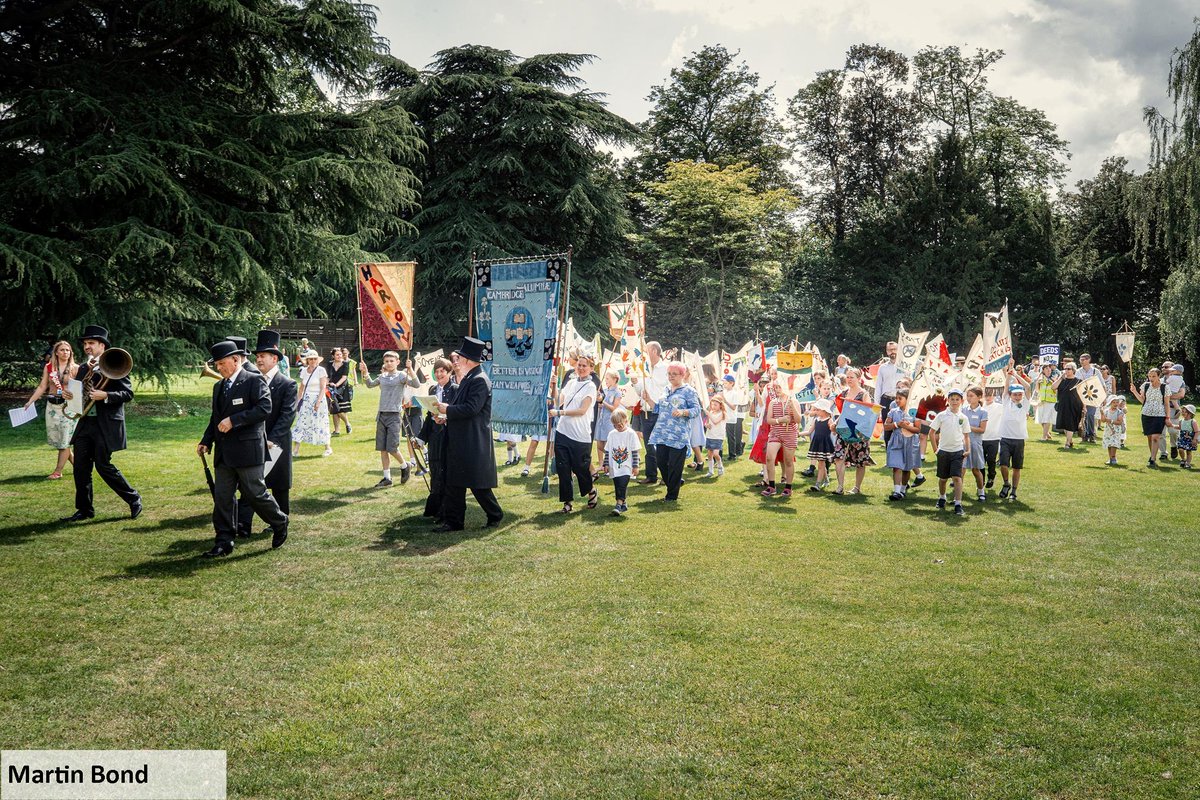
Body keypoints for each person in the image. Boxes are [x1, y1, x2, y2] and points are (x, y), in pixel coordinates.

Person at [197, 340, 289, 557]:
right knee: (223, 498)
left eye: (221, 364)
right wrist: (206, 440)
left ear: (236, 360)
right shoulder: (219, 386)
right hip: (224, 453)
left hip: (248, 450)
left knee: (255, 493)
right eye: (216, 365)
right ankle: (224, 541)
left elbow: (264, 408)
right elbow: (216, 418)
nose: (218, 369)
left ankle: (279, 521)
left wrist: (234, 420)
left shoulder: (254, 380)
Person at [60, 325, 142, 523]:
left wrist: (105, 395)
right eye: (85, 343)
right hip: (86, 422)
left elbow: (127, 394)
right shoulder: (83, 368)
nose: (87, 346)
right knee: (80, 467)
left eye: (91, 343)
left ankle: (133, 498)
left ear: (102, 345)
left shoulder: (115, 362)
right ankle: (84, 509)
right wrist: (69, 395)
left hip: (105, 425)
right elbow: (78, 394)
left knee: (104, 466)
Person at [436, 337, 504, 531]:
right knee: (454, 482)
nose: (456, 361)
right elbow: (461, 407)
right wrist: (445, 416)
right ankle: (454, 522)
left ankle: (495, 514)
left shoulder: (480, 380)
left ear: (468, 360)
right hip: (461, 437)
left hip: (472, 439)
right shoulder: (470, 377)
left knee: (478, 484)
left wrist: (447, 410)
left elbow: (471, 408)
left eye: (460, 358)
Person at [236, 330, 297, 537]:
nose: (259, 359)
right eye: (257, 356)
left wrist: (271, 440)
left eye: (263, 356)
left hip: (276, 442)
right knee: (250, 485)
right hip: (253, 442)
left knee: (279, 486)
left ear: (275, 358)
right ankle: (243, 526)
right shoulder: (251, 381)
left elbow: (287, 416)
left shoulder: (287, 384)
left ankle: (281, 520)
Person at [360, 351, 419, 487]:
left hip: (394, 416)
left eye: (392, 361)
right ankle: (387, 478)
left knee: (392, 448)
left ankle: (405, 465)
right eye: (386, 361)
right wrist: (365, 371)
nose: (389, 363)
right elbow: (369, 384)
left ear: (397, 362)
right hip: (381, 415)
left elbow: (416, 384)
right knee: (382, 448)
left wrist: (410, 370)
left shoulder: (401, 376)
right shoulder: (382, 376)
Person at [646, 361, 702, 503]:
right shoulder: (666, 389)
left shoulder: (689, 391)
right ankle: (674, 482)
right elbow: (659, 408)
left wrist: (683, 411)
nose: (671, 376)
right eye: (669, 374)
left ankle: (671, 495)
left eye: (674, 374)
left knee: (675, 465)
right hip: (662, 432)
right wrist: (649, 400)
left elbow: (697, 410)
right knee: (661, 461)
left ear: (682, 375)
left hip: (678, 434)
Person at [550, 353, 598, 513]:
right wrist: (554, 387)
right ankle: (567, 502)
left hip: (580, 435)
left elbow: (582, 410)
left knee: (580, 468)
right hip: (562, 432)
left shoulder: (591, 387)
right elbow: (559, 401)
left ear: (591, 369)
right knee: (563, 468)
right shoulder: (570, 382)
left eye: (585, 365)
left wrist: (560, 413)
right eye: (579, 365)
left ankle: (590, 490)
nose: (581, 368)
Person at [23, 340, 78, 479]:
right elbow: (42, 386)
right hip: (52, 407)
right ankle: (79, 466)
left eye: (68, 350)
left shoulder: (76, 368)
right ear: (56, 352)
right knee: (61, 440)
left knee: (64, 440)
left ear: (71, 352)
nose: (65, 352)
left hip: (68, 408)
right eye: (62, 350)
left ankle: (57, 472)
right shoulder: (49, 367)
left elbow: (80, 390)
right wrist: (30, 401)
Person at [414, 358, 455, 521]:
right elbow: (428, 416)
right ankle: (436, 508)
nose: (439, 374)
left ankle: (445, 509)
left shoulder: (455, 389)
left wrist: (445, 417)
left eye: (442, 371)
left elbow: (457, 411)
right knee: (435, 470)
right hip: (435, 435)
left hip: (449, 435)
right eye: (436, 371)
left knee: (445, 472)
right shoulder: (432, 388)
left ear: (449, 372)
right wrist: (421, 439)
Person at [832, 368, 875, 495]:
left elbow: (869, 413)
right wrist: (835, 423)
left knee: (860, 460)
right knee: (839, 457)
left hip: (859, 430)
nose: (849, 379)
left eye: (852, 377)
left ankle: (857, 487)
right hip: (844, 429)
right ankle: (840, 487)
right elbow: (843, 412)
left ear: (858, 379)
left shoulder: (864, 394)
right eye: (848, 377)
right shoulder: (844, 393)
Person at [631, 341, 669, 485]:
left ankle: (666, 475)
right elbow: (641, 390)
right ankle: (651, 475)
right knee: (648, 444)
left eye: (646, 350)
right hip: (645, 411)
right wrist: (635, 383)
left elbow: (668, 389)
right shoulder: (643, 367)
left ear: (654, 351)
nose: (644, 353)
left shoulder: (665, 368)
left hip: (660, 411)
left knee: (662, 445)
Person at [929, 388, 970, 516]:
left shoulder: (963, 417)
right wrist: (936, 449)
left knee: (957, 478)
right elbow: (931, 432)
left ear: (961, 401)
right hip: (943, 451)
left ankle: (958, 504)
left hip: (958, 451)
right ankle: (942, 497)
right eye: (952, 399)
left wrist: (967, 449)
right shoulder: (941, 415)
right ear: (948, 400)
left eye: (957, 399)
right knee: (943, 479)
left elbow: (966, 435)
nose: (954, 402)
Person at [760, 381, 802, 497]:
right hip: (775, 433)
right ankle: (771, 486)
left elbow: (798, 420)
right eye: (775, 388)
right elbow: (769, 420)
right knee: (769, 458)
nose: (777, 390)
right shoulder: (773, 402)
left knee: (788, 460)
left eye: (779, 387)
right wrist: (780, 420)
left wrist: (792, 406)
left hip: (790, 434)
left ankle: (788, 487)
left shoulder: (793, 401)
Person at [998, 368, 1032, 502]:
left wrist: (1016, 374)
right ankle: (1006, 483)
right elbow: (1006, 387)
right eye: (1015, 394)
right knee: (1003, 465)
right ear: (1010, 395)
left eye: (1019, 394)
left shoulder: (1024, 404)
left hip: (1019, 439)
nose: (1017, 397)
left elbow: (1028, 387)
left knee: (1017, 467)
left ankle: (1014, 491)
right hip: (1005, 437)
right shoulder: (1006, 402)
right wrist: (1008, 375)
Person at [883, 388, 921, 501]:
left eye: (900, 398)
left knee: (906, 468)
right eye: (896, 398)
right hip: (896, 441)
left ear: (907, 399)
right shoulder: (893, 412)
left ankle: (903, 490)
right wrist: (896, 424)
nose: (897, 400)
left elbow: (918, 429)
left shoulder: (914, 412)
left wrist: (906, 426)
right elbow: (886, 426)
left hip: (910, 442)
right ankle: (896, 491)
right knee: (896, 466)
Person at [293, 349, 331, 457]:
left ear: (317, 360)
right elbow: (301, 388)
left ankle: (328, 447)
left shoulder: (321, 370)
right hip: (306, 399)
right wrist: (297, 402)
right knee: (301, 423)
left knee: (321, 422)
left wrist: (318, 402)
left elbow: (323, 387)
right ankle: (296, 449)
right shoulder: (304, 371)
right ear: (307, 360)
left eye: (315, 359)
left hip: (318, 399)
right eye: (311, 359)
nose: (313, 361)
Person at [1129, 367, 1169, 469]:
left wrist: (1167, 417)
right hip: (1146, 414)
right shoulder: (1145, 386)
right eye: (1149, 376)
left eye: (1153, 376)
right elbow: (1143, 401)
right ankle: (1152, 455)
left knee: (1156, 438)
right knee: (1150, 437)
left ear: (1158, 376)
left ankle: (1152, 459)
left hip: (1159, 415)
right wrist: (1134, 392)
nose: (1151, 378)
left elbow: (1166, 404)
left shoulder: (1164, 387)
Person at [604, 408, 641, 515]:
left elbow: (635, 451)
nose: (617, 427)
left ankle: (618, 504)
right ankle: (623, 503)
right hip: (615, 466)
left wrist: (636, 465)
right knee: (617, 484)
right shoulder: (612, 434)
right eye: (615, 425)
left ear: (626, 420)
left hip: (627, 466)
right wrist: (606, 463)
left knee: (622, 484)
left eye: (619, 424)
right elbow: (608, 450)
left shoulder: (631, 434)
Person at [593, 370, 622, 477]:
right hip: (601, 421)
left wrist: (602, 402)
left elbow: (614, 408)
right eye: (605, 379)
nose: (606, 381)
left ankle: (613, 466)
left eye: (608, 379)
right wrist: (599, 403)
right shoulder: (604, 390)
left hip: (610, 421)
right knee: (600, 445)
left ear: (615, 380)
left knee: (609, 445)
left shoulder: (617, 393)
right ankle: (610, 464)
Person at [962, 387, 989, 501]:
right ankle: (958, 494)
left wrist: (967, 427)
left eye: (971, 396)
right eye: (968, 395)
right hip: (962, 444)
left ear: (979, 397)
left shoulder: (983, 412)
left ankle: (981, 491)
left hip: (975, 444)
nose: (969, 398)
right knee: (961, 469)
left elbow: (982, 429)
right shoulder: (963, 410)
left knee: (976, 470)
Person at [805, 398, 836, 491]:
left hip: (825, 444)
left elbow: (833, 432)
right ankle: (826, 480)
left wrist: (833, 427)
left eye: (818, 409)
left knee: (821, 463)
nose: (816, 411)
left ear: (824, 410)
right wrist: (798, 434)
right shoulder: (816, 420)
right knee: (821, 463)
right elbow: (809, 431)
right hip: (817, 443)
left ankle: (817, 484)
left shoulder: (829, 420)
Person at [1051, 362, 1083, 448]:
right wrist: (1060, 378)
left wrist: (1084, 407)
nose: (1066, 370)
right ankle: (1070, 440)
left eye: (1068, 369)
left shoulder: (1078, 381)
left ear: (1073, 370)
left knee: (1070, 424)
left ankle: (1067, 443)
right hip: (1063, 405)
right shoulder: (1062, 380)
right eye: (1065, 369)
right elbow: (1053, 387)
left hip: (1074, 406)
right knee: (1064, 424)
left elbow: (1083, 395)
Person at [876, 342, 900, 446]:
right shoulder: (882, 368)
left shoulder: (905, 366)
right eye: (890, 350)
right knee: (887, 428)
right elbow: (878, 386)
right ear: (887, 351)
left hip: (900, 400)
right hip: (886, 400)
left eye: (894, 349)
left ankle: (901, 457)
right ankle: (889, 456)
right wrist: (877, 404)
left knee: (901, 427)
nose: (892, 351)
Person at [980, 389, 1004, 489]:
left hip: (994, 438)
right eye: (986, 395)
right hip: (981, 438)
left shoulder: (999, 407)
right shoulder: (981, 407)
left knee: (991, 460)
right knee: (981, 462)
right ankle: (981, 480)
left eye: (990, 395)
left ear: (993, 396)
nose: (988, 397)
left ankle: (991, 477)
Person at [327, 348, 353, 436]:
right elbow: (327, 376)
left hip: (342, 387)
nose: (339, 356)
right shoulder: (330, 364)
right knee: (334, 409)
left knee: (340, 409)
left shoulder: (345, 364)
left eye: (340, 354)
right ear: (333, 356)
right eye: (337, 355)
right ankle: (336, 431)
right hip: (331, 387)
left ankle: (347, 423)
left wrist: (336, 385)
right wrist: (327, 383)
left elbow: (344, 377)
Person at [1076, 354, 1099, 442]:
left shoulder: (1095, 371)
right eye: (1080, 359)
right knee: (1083, 416)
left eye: (1084, 359)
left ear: (1088, 360)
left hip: (1093, 396)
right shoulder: (1078, 371)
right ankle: (1084, 434)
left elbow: (1101, 384)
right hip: (1081, 397)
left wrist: (1103, 398)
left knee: (1090, 414)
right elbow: (1077, 385)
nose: (1082, 361)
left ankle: (1092, 434)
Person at [704, 395, 727, 478]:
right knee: (709, 454)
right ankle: (710, 471)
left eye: (715, 405)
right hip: (710, 435)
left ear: (720, 405)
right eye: (712, 404)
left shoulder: (722, 413)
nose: (713, 406)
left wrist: (708, 414)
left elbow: (716, 421)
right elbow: (709, 422)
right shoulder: (711, 413)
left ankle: (720, 466)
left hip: (718, 436)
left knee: (715, 453)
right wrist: (707, 425)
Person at [1034, 363, 1058, 440]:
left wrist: (1054, 382)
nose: (1048, 370)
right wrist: (1038, 381)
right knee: (1041, 418)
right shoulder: (1040, 379)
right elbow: (1037, 389)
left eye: (1049, 369)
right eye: (1046, 369)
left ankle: (1044, 437)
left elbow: (1056, 390)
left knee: (1047, 419)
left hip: (1050, 401)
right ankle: (1047, 433)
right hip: (1041, 400)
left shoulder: (1054, 378)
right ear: (1043, 370)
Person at [1101, 395, 1126, 466]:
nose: (1115, 404)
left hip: (1116, 430)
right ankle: (1110, 458)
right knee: (1109, 444)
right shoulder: (1106, 411)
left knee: (1114, 444)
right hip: (1108, 430)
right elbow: (1103, 420)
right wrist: (1102, 413)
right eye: (1114, 402)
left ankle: (1113, 458)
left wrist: (1111, 421)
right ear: (1110, 403)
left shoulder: (1119, 412)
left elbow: (1119, 422)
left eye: (1117, 402)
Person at [1178, 404, 1196, 468]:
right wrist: (1172, 425)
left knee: (1188, 451)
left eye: (1185, 412)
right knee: (1180, 449)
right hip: (1182, 438)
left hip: (1189, 438)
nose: (1183, 413)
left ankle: (1188, 463)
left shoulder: (1193, 422)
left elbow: (1197, 431)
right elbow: (1180, 428)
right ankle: (1183, 459)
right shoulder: (1181, 421)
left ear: (1190, 414)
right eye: (1182, 411)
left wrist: (1194, 439)